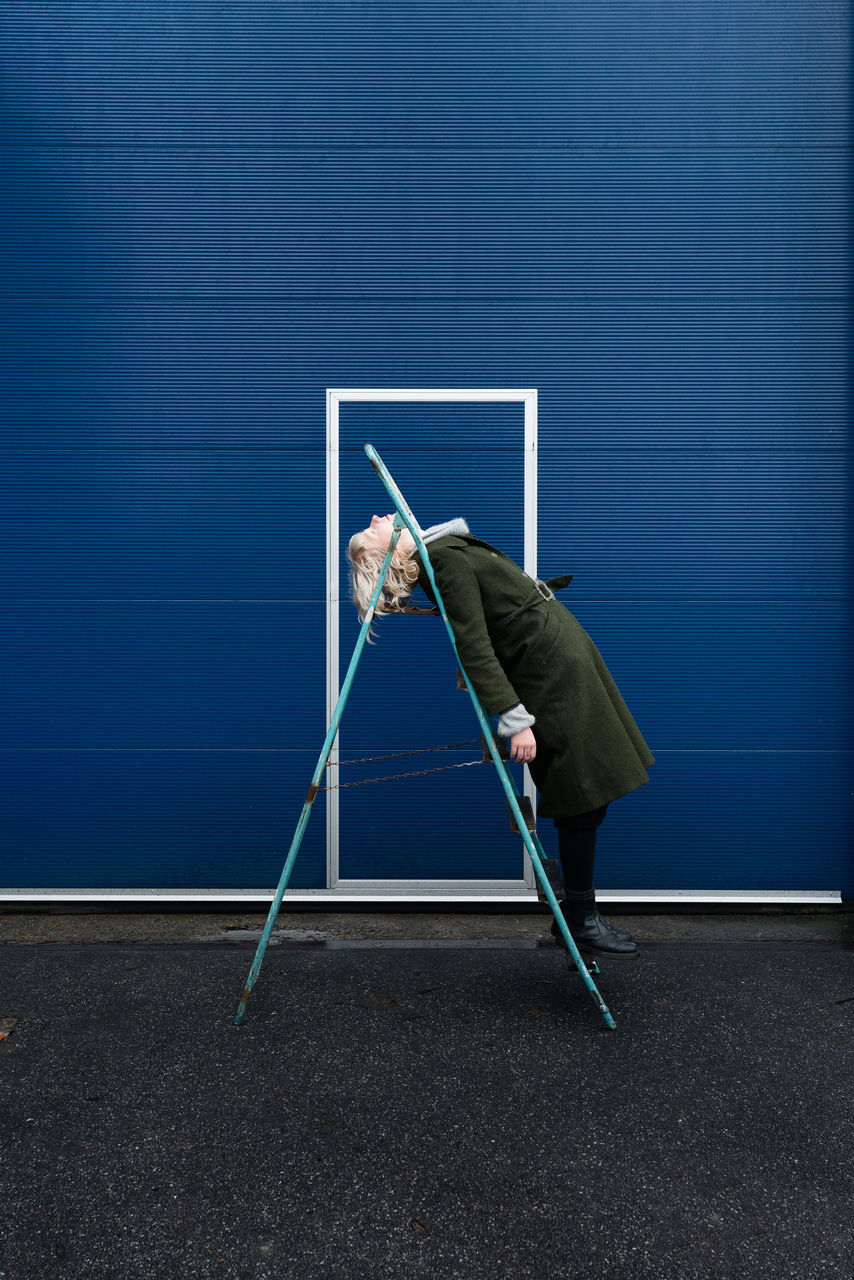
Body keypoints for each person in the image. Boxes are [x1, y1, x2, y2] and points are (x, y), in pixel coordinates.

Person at [347, 513, 655, 959]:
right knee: (582, 793)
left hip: (559, 664)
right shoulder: (442, 564)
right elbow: (473, 644)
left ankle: (576, 916)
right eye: (374, 526)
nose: (380, 515)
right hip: (549, 677)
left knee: (590, 791)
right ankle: (582, 920)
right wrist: (514, 718)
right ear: (389, 551)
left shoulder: (441, 550)